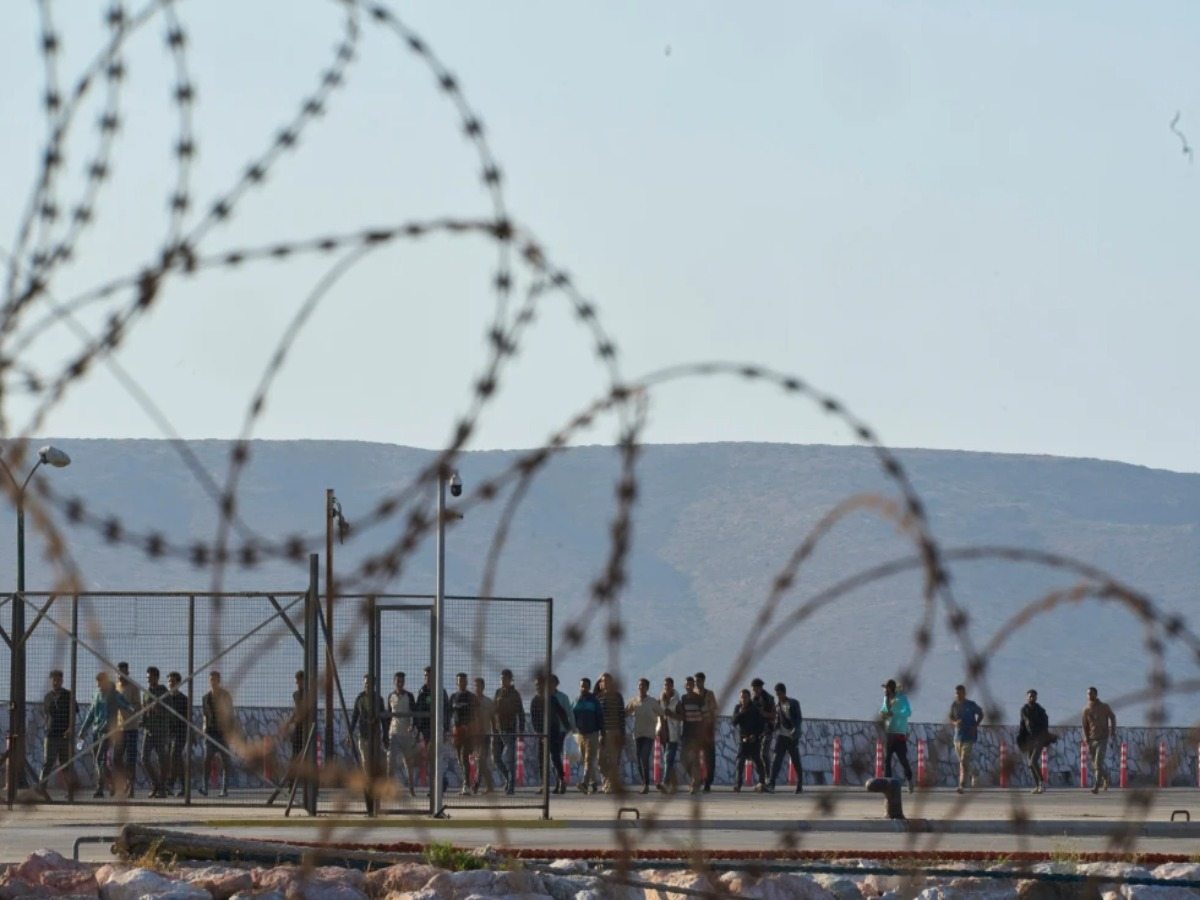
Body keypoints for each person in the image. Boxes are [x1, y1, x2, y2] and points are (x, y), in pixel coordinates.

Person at [78, 671, 133, 798]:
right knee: (98, 761)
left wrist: (133, 710)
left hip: (108, 731)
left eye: (101, 683)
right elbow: (91, 713)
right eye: (97, 683)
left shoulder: (114, 695)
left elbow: (125, 704)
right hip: (96, 730)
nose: (99, 686)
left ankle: (101, 787)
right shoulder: (96, 694)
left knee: (99, 758)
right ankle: (110, 783)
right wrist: (83, 730)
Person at [530, 673, 571, 794]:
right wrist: (539, 733)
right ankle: (544, 785)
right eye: (536, 685)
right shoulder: (535, 700)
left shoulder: (551, 698)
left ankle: (562, 781)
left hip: (553, 732)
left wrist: (568, 727)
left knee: (555, 758)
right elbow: (534, 719)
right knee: (541, 760)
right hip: (541, 734)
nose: (538, 687)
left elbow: (562, 713)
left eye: (540, 685)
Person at [40, 669, 76, 799]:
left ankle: (70, 791)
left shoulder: (68, 695)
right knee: (47, 763)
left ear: (62, 680)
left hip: (65, 735)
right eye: (54, 680)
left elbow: (74, 713)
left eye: (58, 680)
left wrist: (70, 728)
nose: (56, 682)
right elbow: (46, 714)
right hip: (51, 735)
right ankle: (41, 789)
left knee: (66, 763)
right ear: (51, 681)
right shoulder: (48, 697)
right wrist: (46, 726)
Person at [415, 666, 449, 793]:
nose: (427, 678)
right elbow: (418, 711)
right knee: (431, 759)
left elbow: (446, 711)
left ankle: (437, 785)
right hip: (426, 730)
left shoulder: (440, 691)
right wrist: (418, 730)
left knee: (434, 757)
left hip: (437, 729)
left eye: (429, 676)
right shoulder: (422, 692)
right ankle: (439, 783)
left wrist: (445, 729)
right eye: (425, 676)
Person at [625, 678, 662, 794]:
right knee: (639, 760)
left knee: (644, 757)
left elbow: (662, 714)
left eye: (643, 686)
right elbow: (625, 712)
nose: (641, 688)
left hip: (649, 734)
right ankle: (644, 782)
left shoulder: (652, 702)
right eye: (639, 685)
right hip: (637, 734)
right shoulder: (634, 701)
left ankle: (646, 785)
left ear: (647, 688)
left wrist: (661, 729)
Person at [493, 668, 525, 795]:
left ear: (510, 680)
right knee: (496, 758)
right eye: (501, 678)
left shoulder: (515, 694)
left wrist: (521, 730)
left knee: (510, 759)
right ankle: (508, 778)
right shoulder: (498, 692)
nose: (502, 681)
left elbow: (521, 713)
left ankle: (511, 786)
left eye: (505, 679)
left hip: (509, 730)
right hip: (497, 730)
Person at [201, 671, 234, 797]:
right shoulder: (206, 698)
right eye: (211, 680)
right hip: (210, 733)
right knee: (207, 759)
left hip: (223, 733)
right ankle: (205, 787)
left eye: (215, 679)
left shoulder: (225, 696)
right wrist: (203, 728)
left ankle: (224, 789)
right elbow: (205, 715)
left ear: (219, 681)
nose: (212, 682)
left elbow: (230, 714)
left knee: (225, 761)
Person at [141, 666, 171, 798]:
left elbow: (169, 710)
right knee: (144, 758)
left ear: (157, 677)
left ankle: (162, 788)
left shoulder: (163, 691)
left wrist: (158, 710)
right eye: (147, 678)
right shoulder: (146, 692)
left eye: (151, 677)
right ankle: (156, 784)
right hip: (149, 730)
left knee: (162, 759)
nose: (149, 680)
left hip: (160, 729)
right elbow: (144, 709)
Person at [386, 672, 418, 796]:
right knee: (391, 763)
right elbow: (388, 715)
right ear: (394, 682)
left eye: (402, 681)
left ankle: (411, 789)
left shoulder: (409, 696)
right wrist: (386, 733)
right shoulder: (391, 696)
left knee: (409, 763)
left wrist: (412, 726)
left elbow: (414, 713)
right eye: (398, 681)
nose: (400, 683)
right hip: (393, 733)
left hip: (406, 734)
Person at [948, 684, 984, 793]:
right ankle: (973, 772)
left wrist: (976, 725)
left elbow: (981, 713)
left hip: (969, 736)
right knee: (962, 761)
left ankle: (961, 785)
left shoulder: (971, 704)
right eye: (956, 693)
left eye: (960, 693)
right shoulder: (954, 705)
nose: (958, 695)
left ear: (964, 693)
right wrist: (955, 722)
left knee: (963, 761)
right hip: (958, 737)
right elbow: (950, 717)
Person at [880, 679, 914, 793]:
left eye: (886, 688)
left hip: (899, 733)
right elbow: (883, 710)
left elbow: (908, 712)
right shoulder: (885, 699)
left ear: (890, 688)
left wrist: (895, 713)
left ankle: (909, 779)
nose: (884, 690)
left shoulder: (902, 698)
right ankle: (887, 784)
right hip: (889, 732)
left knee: (903, 759)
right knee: (887, 760)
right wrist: (883, 713)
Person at [349, 674, 387, 775]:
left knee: (374, 760)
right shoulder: (360, 698)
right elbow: (354, 717)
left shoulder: (379, 699)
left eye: (369, 684)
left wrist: (385, 735)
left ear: (373, 685)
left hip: (375, 735)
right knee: (365, 760)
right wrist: (350, 733)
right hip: (363, 734)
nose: (367, 686)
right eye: (366, 684)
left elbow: (383, 720)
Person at [769, 682, 803, 793]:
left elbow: (798, 718)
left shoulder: (793, 703)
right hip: (782, 736)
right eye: (777, 694)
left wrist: (796, 728)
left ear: (784, 692)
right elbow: (778, 721)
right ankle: (771, 783)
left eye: (779, 693)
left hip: (792, 736)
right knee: (776, 760)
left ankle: (800, 784)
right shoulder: (777, 706)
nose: (778, 696)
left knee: (795, 760)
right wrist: (772, 729)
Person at [1081, 686, 1117, 794]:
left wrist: (1113, 731)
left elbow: (1112, 717)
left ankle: (1096, 785)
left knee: (1098, 762)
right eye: (1088, 694)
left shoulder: (1104, 706)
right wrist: (1086, 737)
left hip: (1102, 738)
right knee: (1095, 764)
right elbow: (1084, 725)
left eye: (1091, 693)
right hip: (1092, 739)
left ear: (1096, 695)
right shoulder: (1086, 709)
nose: (1089, 696)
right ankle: (1105, 776)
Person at [1017, 689, 1052, 794]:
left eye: (1033, 696)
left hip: (1039, 739)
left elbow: (1045, 725)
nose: (1031, 698)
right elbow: (1023, 725)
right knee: (1030, 764)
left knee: (1033, 761)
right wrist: (1021, 739)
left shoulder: (1040, 710)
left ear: (1036, 698)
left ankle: (1042, 783)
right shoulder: (1024, 709)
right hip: (1029, 740)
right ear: (1026, 697)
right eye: (1030, 696)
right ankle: (1037, 786)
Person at [448, 672, 478, 795]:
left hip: (468, 731)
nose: (462, 683)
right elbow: (449, 713)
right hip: (457, 732)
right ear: (457, 682)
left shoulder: (471, 697)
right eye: (460, 681)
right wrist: (450, 728)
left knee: (464, 756)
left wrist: (469, 725)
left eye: (464, 681)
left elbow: (476, 713)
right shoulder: (453, 697)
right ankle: (468, 781)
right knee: (460, 759)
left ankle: (466, 785)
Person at [572, 677, 603, 794]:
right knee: (585, 759)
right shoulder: (576, 701)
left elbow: (600, 717)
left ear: (589, 687)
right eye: (581, 686)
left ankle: (584, 783)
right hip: (580, 734)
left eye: (585, 686)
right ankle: (593, 782)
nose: (583, 688)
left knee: (589, 759)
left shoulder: (594, 701)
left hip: (593, 733)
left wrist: (602, 732)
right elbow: (572, 715)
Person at [732, 688, 767, 791]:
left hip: (754, 739)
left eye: (745, 697)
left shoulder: (755, 709)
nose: (743, 699)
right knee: (740, 761)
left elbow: (761, 725)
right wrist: (740, 712)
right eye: (742, 697)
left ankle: (762, 782)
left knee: (757, 761)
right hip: (743, 739)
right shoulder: (738, 708)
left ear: (749, 698)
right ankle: (738, 784)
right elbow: (734, 722)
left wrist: (755, 736)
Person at [115, 662, 141, 798]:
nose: (121, 675)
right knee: (116, 758)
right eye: (119, 672)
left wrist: (128, 707)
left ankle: (131, 786)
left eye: (123, 673)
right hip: (119, 729)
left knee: (131, 758)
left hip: (131, 728)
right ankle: (124, 781)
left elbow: (138, 706)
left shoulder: (134, 687)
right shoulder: (116, 687)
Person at [597, 673, 626, 793]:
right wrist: (600, 733)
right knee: (601, 760)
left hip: (615, 732)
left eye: (608, 681)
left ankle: (610, 785)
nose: (605, 683)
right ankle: (606, 783)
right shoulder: (598, 697)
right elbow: (598, 717)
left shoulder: (618, 696)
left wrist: (622, 734)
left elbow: (621, 716)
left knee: (613, 760)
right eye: (603, 681)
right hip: (602, 732)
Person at [678, 676, 707, 793]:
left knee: (694, 759)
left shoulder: (699, 699)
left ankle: (695, 783)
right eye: (687, 684)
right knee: (683, 758)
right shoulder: (683, 698)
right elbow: (682, 714)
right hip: (686, 732)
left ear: (693, 686)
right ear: (685, 686)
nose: (689, 686)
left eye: (691, 684)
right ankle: (695, 779)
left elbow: (705, 715)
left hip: (696, 733)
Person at [163, 672, 189, 797]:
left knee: (175, 755)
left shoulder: (184, 699)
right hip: (168, 733)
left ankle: (171, 783)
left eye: (173, 681)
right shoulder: (164, 699)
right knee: (176, 760)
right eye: (169, 681)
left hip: (180, 733)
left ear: (178, 683)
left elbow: (188, 718)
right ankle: (184, 787)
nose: (170, 683)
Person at [749, 678, 777, 789]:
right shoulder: (752, 699)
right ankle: (762, 780)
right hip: (756, 731)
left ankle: (768, 778)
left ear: (760, 688)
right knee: (755, 755)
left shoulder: (769, 699)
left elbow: (774, 715)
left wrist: (763, 714)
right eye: (753, 689)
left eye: (755, 688)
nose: (754, 690)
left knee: (763, 753)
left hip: (767, 730)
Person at [657, 676, 682, 792]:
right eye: (665, 685)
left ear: (672, 686)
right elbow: (657, 713)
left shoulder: (677, 701)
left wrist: (671, 715)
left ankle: (665, 782)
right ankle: (672, 784)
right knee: (668, 760)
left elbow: (683, 717)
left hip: (673, 733)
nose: (667, 687)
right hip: (663, 733)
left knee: (668, 758)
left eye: (669, 685)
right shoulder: (660, 699)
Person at [694, 672, 718, 791]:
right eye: (695, 681)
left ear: (703, 681)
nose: (697, 683)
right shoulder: (692, 695)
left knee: (709, 757)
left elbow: (714, 711)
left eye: (699, 681)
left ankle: (708, 782)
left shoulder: (709, 694)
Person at [471, 676, 495, 793]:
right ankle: (488, 786)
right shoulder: (471, 701)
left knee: (482, 760)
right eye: (475, 686)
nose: (477, 688)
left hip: (485, 735)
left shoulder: (488, 702)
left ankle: (477, 783)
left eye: (479, 685)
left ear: (483, 687)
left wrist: (495, 732)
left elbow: (493, 718)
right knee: (479, 761)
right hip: (474, 736)